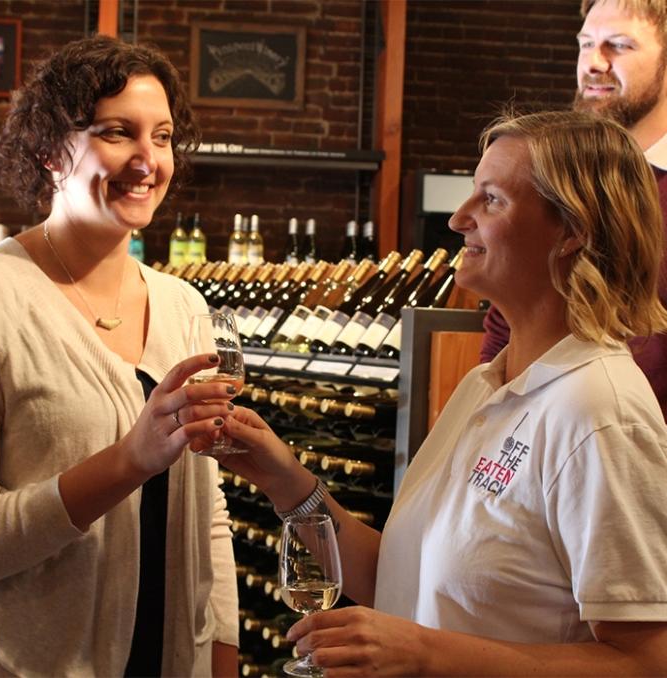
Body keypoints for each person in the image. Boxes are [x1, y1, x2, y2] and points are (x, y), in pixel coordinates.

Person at [218, 110, 667, 675]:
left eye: (491, 200)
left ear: (572, 230)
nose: (458, 219)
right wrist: (283, 481)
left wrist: (427, 654)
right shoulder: (486, 387)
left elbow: (646, 663)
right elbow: (401, 579)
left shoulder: (600, 414)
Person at [0, 36, 239, 677]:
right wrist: (129, 460)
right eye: (118, 132)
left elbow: (204, 512)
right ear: (49, 152)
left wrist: (221, 652)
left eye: (164, 136)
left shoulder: (184, 306)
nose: (148, 160)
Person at [481, 0, 667, 420]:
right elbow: (508, 321)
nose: (595, 63)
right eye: (586, 44)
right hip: (531, 444)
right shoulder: (555, 175)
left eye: (618, 46)